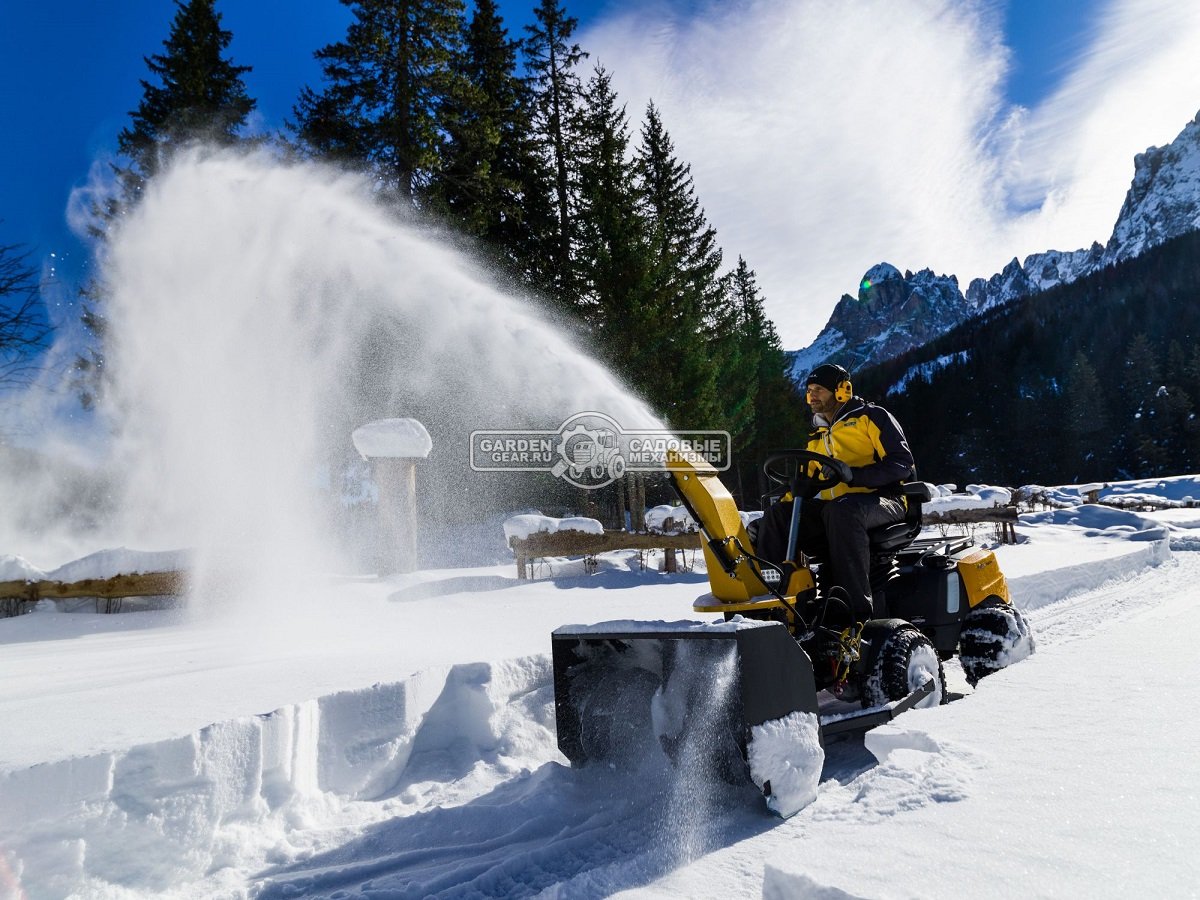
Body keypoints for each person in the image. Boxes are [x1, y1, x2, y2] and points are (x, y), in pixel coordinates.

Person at [754, 363, 915, 619]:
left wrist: (855, 475)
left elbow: (901, 464)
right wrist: (768, 522)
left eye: (819, 389)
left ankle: (853, 612)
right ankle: (778, 603)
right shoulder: (817, 436)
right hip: (838, 510)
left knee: (842, 511)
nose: (812, 395)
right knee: (779, 516)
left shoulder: (871, 417)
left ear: (841, 391)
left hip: (885, 501)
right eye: (809, 390)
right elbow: (802, 486)